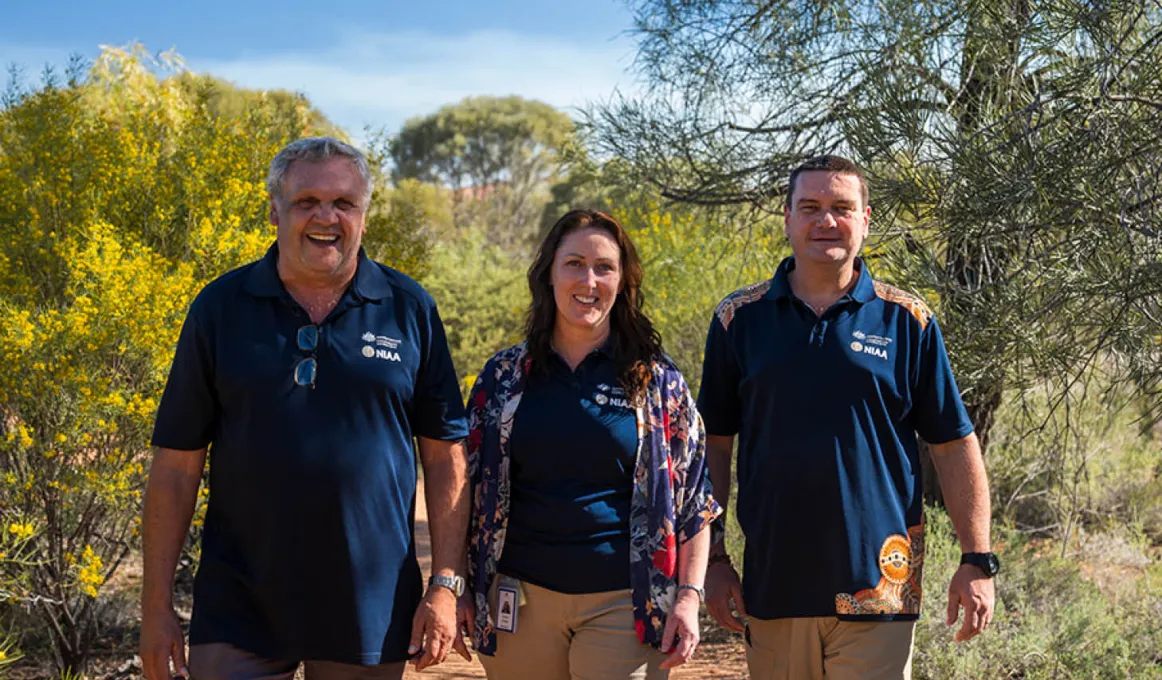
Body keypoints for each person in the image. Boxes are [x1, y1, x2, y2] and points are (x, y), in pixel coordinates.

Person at [140, 137, 472, 680]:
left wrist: (445, 583)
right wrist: (155, 608)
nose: (327, 217)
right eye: (306, 202)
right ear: (274, 210)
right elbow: (176, 467)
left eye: (344, 203)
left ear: (364, 213)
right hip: (239, 601)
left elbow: (445, 457)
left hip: (370, 602)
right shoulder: (219, 308)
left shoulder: (409, 308)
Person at [698, 156, 997, 680]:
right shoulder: (738, 320)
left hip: (879, 589)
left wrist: (978, 559)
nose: (826, 221)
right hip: (774, 587)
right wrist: (714, 561)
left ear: (866, 219)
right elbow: (712, 446)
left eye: (841, 207)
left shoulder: (908, 320)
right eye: (810, 207)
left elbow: (953, 443)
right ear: (787, 217)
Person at [464, 209, 721, 679]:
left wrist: (688, 596)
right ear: (549, 275)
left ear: (622, 281)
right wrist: (457, 586)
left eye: (604, 266)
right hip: (519, 600)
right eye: (574, 263)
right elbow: (464, 486)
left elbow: (694, 501)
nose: (589, 279)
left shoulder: (658, 384)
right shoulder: (503, 378)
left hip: (625, 605)